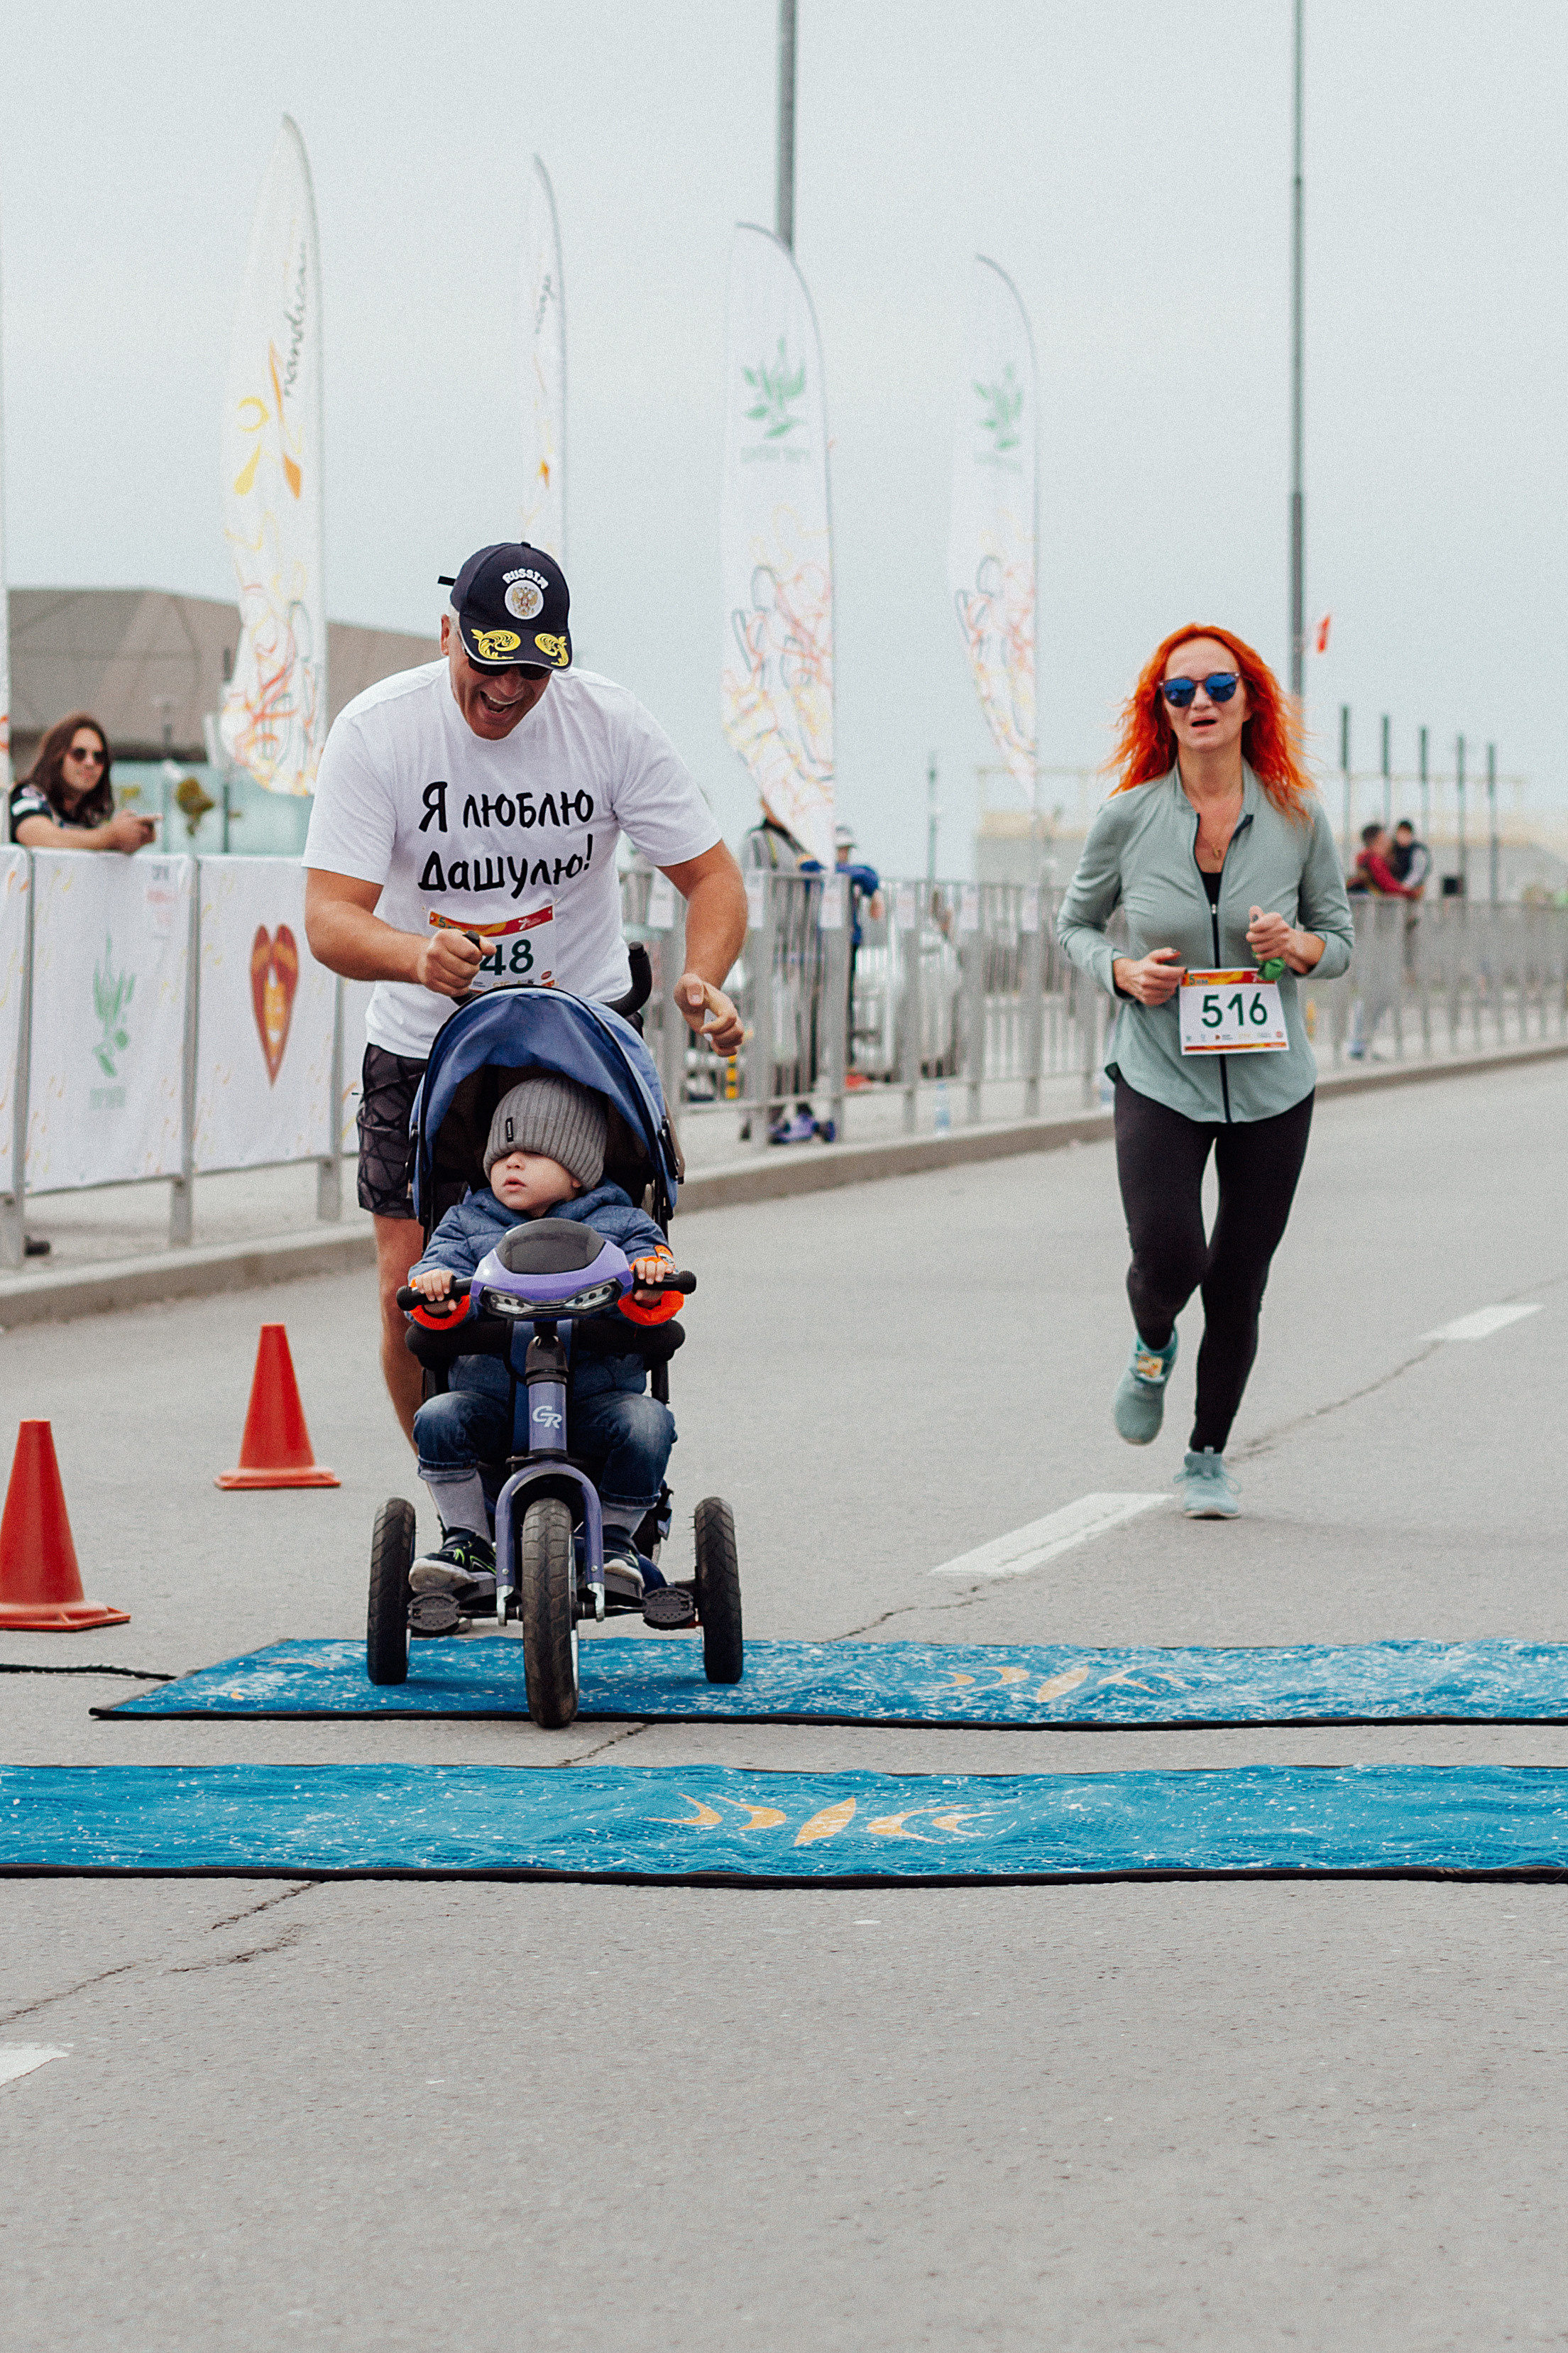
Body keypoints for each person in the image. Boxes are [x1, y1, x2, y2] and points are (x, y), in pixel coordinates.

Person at [302, 541, 747, 1443]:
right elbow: (328, 918)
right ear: (447, 635)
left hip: (577, 1035)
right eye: (490, 662)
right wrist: (414, 956)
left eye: (534, 670)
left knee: (616, 1271)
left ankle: (608, 1473)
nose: (508, 689)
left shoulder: (610, 723)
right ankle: (457, 1502)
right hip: (429, 1042)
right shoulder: (378, 729)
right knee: (412, 1293)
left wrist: (703, 977)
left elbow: (715, 880)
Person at [1057, 624, 1354, 1518]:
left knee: (1238, 1281)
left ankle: (1205, 1455)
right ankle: (1152, 1344)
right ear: (1161, 710)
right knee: (1172, 1253)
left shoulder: (1299, 817)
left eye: (1217, 687)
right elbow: (1073, 925)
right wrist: (1120, 970)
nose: (1199, 705)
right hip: (1158, 1068)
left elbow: (1339, 941)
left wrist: (1296, 946)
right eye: (1178, 693)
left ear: (1249, 700)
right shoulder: (1128, 815)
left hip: (1272, 1083)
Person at [405, 1074, 676, 1605]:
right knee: (437, 1418)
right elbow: (432, 1272)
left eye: (533, 1152)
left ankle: (615, 1541)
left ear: (578, 1171)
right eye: (503, 1153)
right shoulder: (465, 1223)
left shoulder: (621, 1222)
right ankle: (468, 1541)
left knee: (649, 1425)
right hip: (494, 1401)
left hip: (593, 1400)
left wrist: (648, 1282)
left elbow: (656, 1268)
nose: (512, 1163)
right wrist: (435, 1291)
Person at [9, 714, 158, 853]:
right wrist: (111, 837)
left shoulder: (91, 815)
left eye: (99, 757)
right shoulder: (26, 794)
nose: (90, 763)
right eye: (79, 754)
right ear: (57, 756)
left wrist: (128, 840)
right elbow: (37, 838)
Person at [1347, 823, 1416, 899]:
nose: (1389, 843)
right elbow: (1390, 887)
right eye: (1385, 840)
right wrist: (1413, 893)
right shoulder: (1375, 861)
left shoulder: (1365, 859)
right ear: (1378, 842)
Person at [1387, 819, 1431, 895]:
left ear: (1411, 834)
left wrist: (1405, 886)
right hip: (1395, 891)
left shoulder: (1418, 850)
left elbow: (1418, 872)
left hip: (1413, 891)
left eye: (1405, 834)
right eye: (1400, 833)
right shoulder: (1392, 848)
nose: (1402, 837)